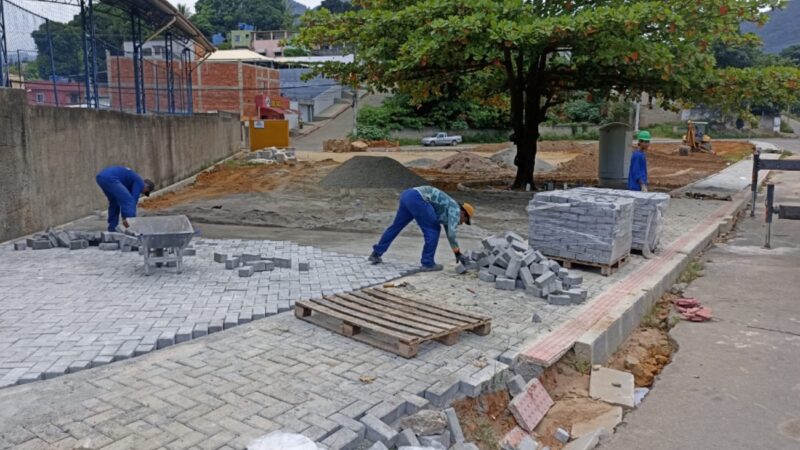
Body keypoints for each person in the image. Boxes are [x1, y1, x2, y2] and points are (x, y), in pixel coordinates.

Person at [369, 185, 474, 271]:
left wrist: (457, 253)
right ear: (463, 213)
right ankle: (428, 263)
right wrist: (458, 253)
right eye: (465, 220)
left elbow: (449, 233)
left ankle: (376, 253)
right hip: (418, 198)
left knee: (396, 226)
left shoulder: (449, 209)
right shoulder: (455, 209)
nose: (462, 223)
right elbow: (452, 234)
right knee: (434, 229)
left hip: (408, 195)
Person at [95, 166, 155, 232]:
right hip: (111, 179)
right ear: (146, 187)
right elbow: (133, 201)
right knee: (129, 202)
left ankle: (112, 229)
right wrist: (128, 218)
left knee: (114, 203)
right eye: (145, 192)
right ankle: (130, 228)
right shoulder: (140, 182)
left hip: (101, 177)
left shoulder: (130, 180)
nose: (143, 193)